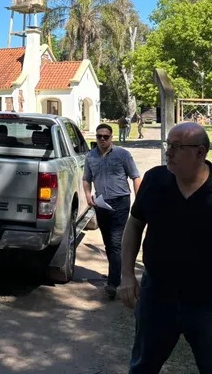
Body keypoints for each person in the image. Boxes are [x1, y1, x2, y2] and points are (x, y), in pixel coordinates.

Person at [119, 122, 212, 374]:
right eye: (168, 145)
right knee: (143, 366)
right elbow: (134, 225)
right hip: (157, 295)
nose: (168, 152)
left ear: (200, 153)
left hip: (209, 300)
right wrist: (126, 274)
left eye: (176, 147)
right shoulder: (155, 180)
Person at [83, 123, 141, 299]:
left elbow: (135, 177)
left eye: (105, 136)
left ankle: (113, 283)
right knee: (108, 242)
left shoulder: (122, 155)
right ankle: (117, 271)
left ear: (111, 138)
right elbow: (87, 179)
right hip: (101, 204)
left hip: (121, 202)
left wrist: (139, 202)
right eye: (99, 136)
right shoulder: (90, 157)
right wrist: (88, 195)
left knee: (116, 242)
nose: (102, 139)